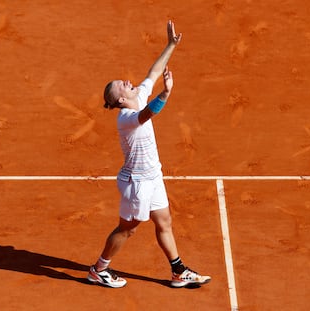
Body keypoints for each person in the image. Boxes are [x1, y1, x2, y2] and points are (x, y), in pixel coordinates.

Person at [87, 20, 211, 288]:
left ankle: (178, 271)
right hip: (137, 183)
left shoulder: (138, 96)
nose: (129, 82)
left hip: (153, 175)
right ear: (120, 100)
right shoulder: (127, 117)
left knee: (164, 221)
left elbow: (153, 73)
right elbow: (149, 113)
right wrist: (166, 93)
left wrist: (170, 45)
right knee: (128, 229)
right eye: (123, 85)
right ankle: (99, 269)